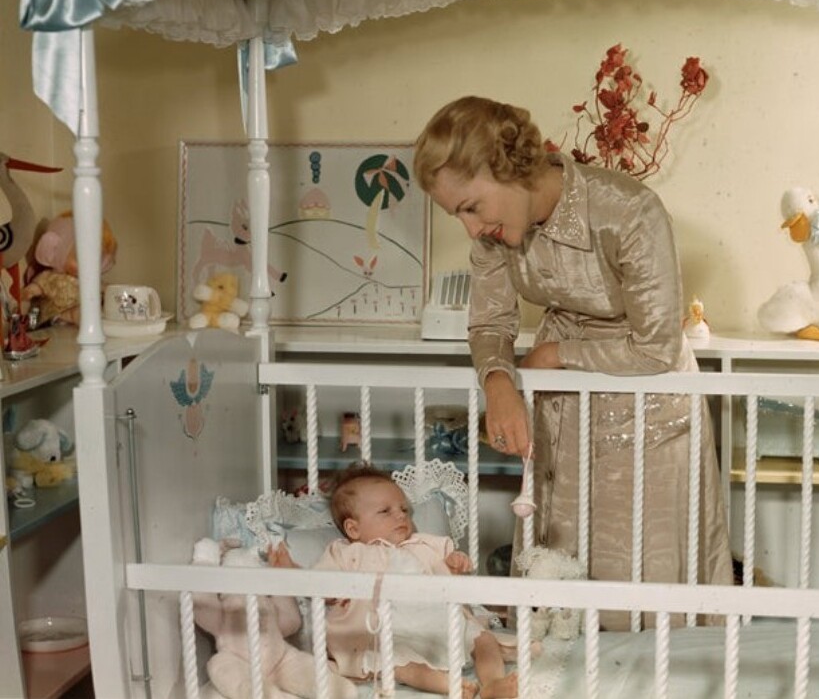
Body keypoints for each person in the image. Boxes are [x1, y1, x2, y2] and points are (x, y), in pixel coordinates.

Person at [413, 95, 733, 629]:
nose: (471, 228)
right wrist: (498, 383)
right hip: (565, 404)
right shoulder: (496, 235)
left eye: (471, 207)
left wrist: (558, 354)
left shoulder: (628, 211)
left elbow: (657, 346)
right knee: (561, 575)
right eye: (458, 215)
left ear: (507, 167)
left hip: (648, 404)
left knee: (643, 584)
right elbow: (489, 323)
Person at [269, 464, 518, 699]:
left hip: (435, 626)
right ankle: (447, 685)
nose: (400, 516)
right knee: (398, 663)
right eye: (385, 511)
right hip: (384, 632)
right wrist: (292, 570)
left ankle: (493, 683)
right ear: (353, 529)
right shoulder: (347, 553)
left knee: (483, 639)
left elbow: (446, 584)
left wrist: (453, 565)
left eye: (404, 510)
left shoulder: (423, 544)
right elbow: (321, 585)